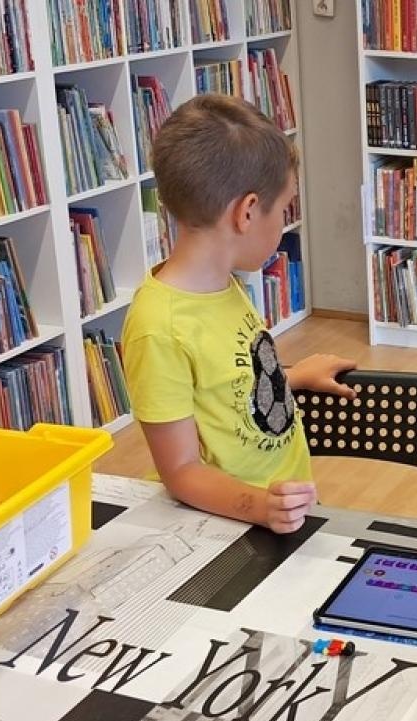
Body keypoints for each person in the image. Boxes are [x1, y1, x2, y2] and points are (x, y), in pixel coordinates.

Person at [122, 94, 356, 534]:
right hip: (234, 525)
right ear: (247, 212)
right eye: (285, 207)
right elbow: (182, 470)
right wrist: (262, 507)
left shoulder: (224, 284)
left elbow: (228, 384)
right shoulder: (159, 328)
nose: (285, 221)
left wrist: (291, 378)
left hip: (278, 510)